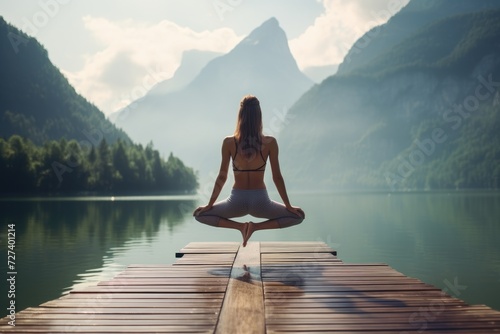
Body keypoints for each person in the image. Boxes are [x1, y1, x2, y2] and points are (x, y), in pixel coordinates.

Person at [193, 95, 305, 246]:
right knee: (298, 216)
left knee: (199, 215)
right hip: (261, 202)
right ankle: (255, 227)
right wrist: (289, 206)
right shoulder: (270, 142)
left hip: (236, 202)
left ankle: (240, 227)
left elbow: (222, 177)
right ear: (259, 116)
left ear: (240, 116)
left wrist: (209, 205)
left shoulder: (228, 143)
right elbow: (277, 178)